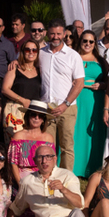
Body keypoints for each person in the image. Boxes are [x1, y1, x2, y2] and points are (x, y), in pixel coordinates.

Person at [39, 20, 85, 170]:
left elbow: (79, 83)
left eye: (59, 33)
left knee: (67, 146)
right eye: (52, 33)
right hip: (47, 108)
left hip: (67, 108)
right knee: (47, 146)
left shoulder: (73, 56)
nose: (55, 36)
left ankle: (66, 180)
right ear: (47, 33)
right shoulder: (41, 53)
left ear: (64, 34)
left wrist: (65, 104)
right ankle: (48, 177)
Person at [72, 30, 108, 178]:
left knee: (92, 134)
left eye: (91, 42)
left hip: (95, 100)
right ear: (80, 42)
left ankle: (91, 168)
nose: (87, 44)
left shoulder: (101, 61)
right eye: (84, 41)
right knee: (74, 132)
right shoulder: (73, 57)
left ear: (95, 44)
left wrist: (102, 85)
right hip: (76, 98)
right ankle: (74, 168)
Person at [0, 38, 43, 141]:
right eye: (28, 50)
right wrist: (23, 100)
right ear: (23, 52)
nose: (31, 52)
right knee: (14, 144)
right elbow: (5, 89)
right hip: (15, 112)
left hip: (33, 113)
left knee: (31, 144)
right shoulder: (14, 68)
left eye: (34, 50)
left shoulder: (40, 70)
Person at [8, 100, 56, 181]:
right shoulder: (18, 136)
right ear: (28, 116)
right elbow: (13, 163)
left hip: (44, 177)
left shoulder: (49, 138)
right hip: (22, 177)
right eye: (33, 114)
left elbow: (53, 162)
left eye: (40, 116)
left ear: (43, 119)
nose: (36, 118)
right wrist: (21, 184)